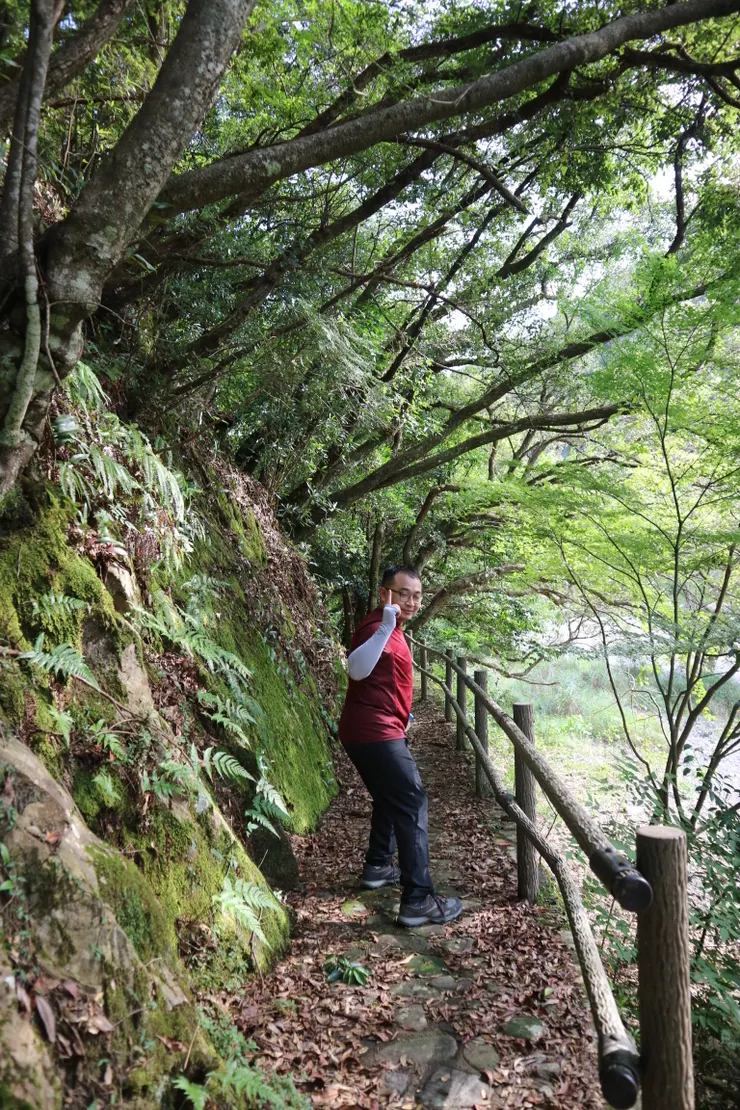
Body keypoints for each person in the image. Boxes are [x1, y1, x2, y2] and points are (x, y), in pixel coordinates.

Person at [338, 565, 463, 927]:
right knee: (412, 801)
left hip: (375, 729)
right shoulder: (376, 626)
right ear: (384, 594)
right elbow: (356, 669)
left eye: (417, 595)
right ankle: (418, 900)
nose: (411, 601)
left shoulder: (392, 629)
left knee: (390, 798)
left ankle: (378, 865)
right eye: (403, 592)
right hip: (374, 732)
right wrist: (386, 627)